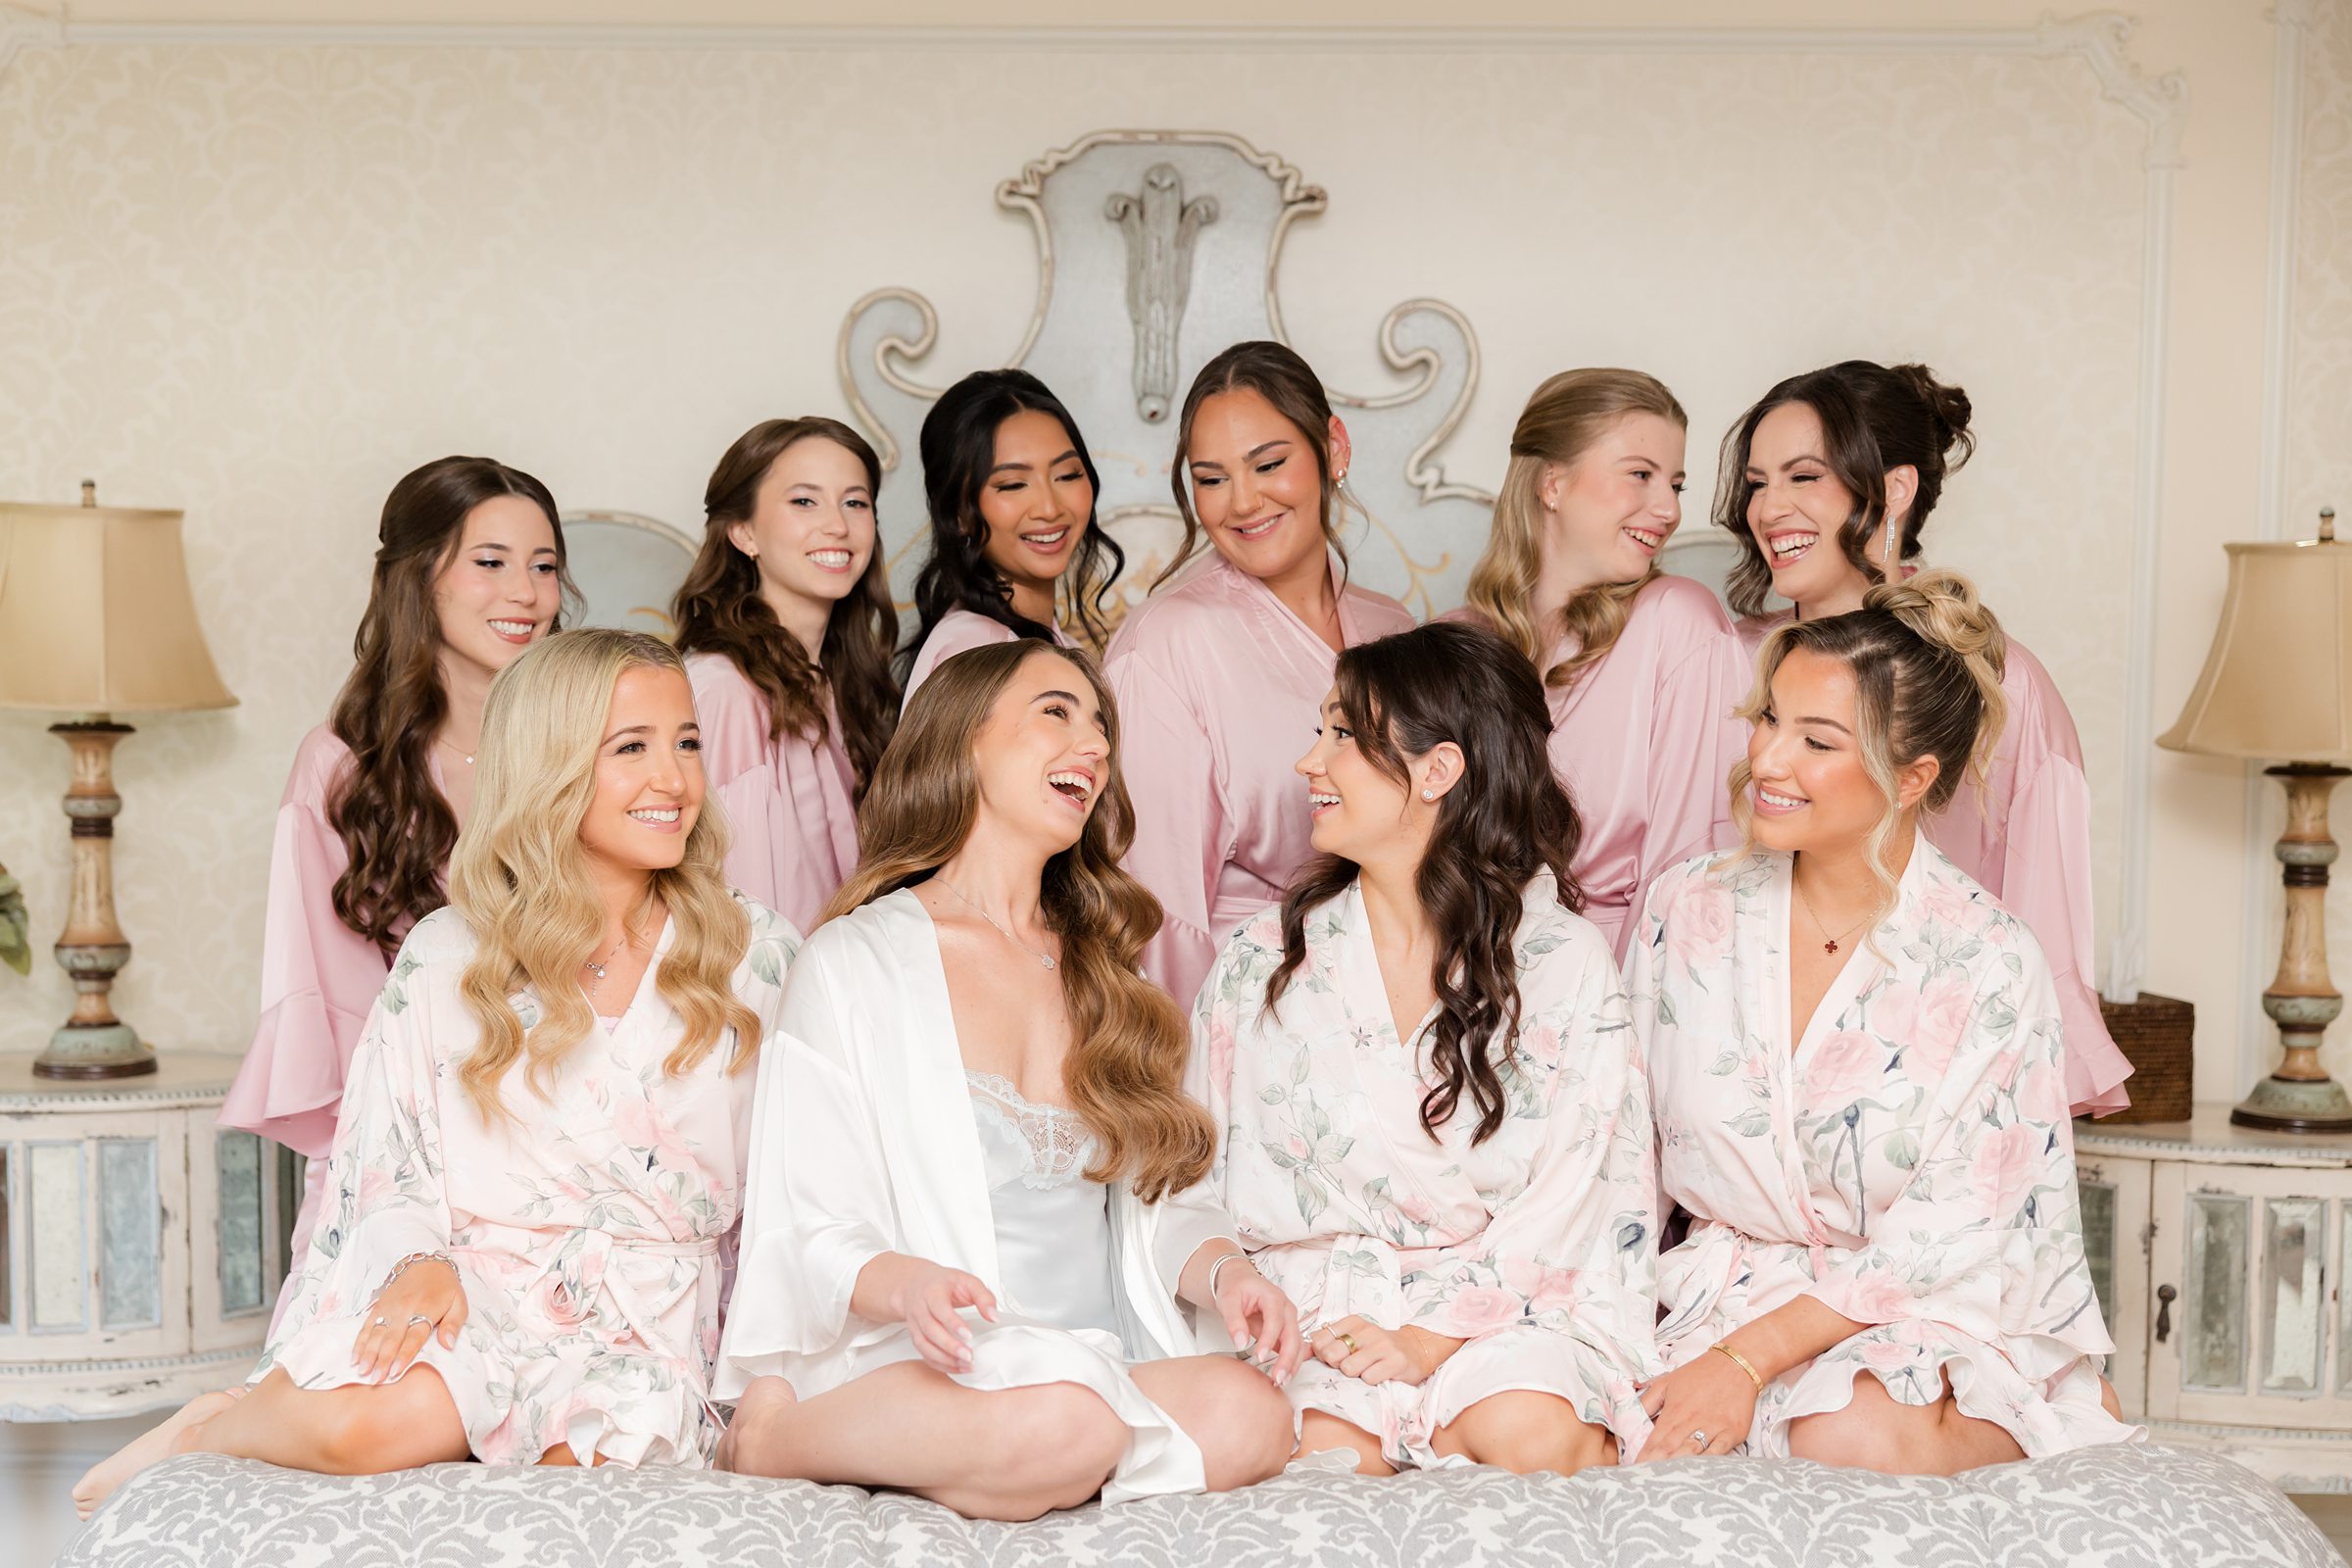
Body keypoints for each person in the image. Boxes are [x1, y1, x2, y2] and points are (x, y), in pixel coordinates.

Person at [77, 630, 798, 1515]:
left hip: (650, 1328)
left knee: (572, 1496)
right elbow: (386, 1159)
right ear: (549, 762)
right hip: (478, 1290)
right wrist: (421, 1262)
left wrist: (764, 1376)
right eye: (631, 749)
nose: (674, 779)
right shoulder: (451, 954)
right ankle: (209, 1429)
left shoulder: (756, 953)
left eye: (686, 743)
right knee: (373, 1428)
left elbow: (792, 1197)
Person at [717, 640, 1300, 1521]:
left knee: (1255, 1416)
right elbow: (808, 1220)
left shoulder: (1112, 976)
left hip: (1093, 1362)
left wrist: (1226, 1276)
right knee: (1067, 1419)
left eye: (1101, 727)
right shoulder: (854, 961)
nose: (1093, 745)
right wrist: (908, 1285)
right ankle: (772, 1439)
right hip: (932, 1360)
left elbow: (1162, 1203)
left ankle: (1033, 1461)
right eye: (1056, 713)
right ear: (965, 741)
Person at [1629, 572, 2136, 1472]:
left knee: (1844, 1428)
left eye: (1816, 741)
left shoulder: (1988, 959)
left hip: (1916, 1306)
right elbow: (1620, 1151)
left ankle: (2025, 1405)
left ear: (1912, 778)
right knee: (1576, 1422)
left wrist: (1747, 1362)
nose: (1767, 760)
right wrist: (1602, 1329)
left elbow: (1948, 1234)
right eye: (1768, 719)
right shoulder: (1688, 906)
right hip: (1713, 1294)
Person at [1196, 622, 1659, 1477]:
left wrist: (1428, 1337)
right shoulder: (1264, 960)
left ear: (1438, 770)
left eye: (1342, 735)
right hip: (1317, 1314)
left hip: (1506, 1311)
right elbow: (1194, 1171)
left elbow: (1579, 1189)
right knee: (1323, 1460)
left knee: (1532, 1433)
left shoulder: (1562, 961)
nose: (1309, 762)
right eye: (1319, 732)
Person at [1713, 361, 2130, 1115]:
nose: (1768, 508)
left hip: (1923, 1102)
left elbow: (2035, 954)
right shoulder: (1722, 663)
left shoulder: (2002, 687)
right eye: (1757, 483)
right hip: (1729, 1084)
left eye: (1804, 477)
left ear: (1895, 489)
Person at [220, 456, 568, 1298]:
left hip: (570, 1134)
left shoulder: (587, 749)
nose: (525, 593)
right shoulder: (344, 768)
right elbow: (338, 1005)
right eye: (491, 562)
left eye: (545, 566)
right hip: (403, 1141)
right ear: (419, 578)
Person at [1106, 340, 1415, 1004]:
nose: (1243, 502)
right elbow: (1153, 914)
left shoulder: (1394, 627)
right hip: (1243, 1013)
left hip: (1400, 998)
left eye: (1268, 465)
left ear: (1334, 448)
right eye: (1211, 479)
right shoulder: (1164, 645)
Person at [1449, 368, 1749, 960]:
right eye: (1640, 474)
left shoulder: (1678, 622)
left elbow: (1698, 867)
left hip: (1624, 982)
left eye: (1676, 484)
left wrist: (1603, 1008)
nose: (1668, 508)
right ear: (1552, 483)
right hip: (1468, 981)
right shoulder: (1455, 642)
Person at [673, 416, 899, 931]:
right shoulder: (724, 690)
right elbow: (737, 909)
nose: (837, 525)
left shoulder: (843, 686)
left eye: (855, 502)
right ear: (743, 531)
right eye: (804, 501)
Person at [898, 368, 1123, 701]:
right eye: (1013, 484)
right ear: (958, 514)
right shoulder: (976, 651)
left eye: (1067, 475)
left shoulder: (1052, 647)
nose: (1049, 508)